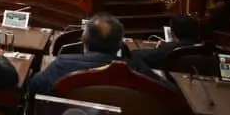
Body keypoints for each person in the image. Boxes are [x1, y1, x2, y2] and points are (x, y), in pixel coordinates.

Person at [29, 14, 167, 94]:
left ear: (84, 39)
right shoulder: (136, 68)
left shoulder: (62, 64)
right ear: (120, 43)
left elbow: (34, 85)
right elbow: (168, 92)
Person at [132, 14, 202, 70]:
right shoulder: (207, 49)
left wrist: (163, 47)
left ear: (173, 32)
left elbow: (136, 55)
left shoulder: (170, 49)